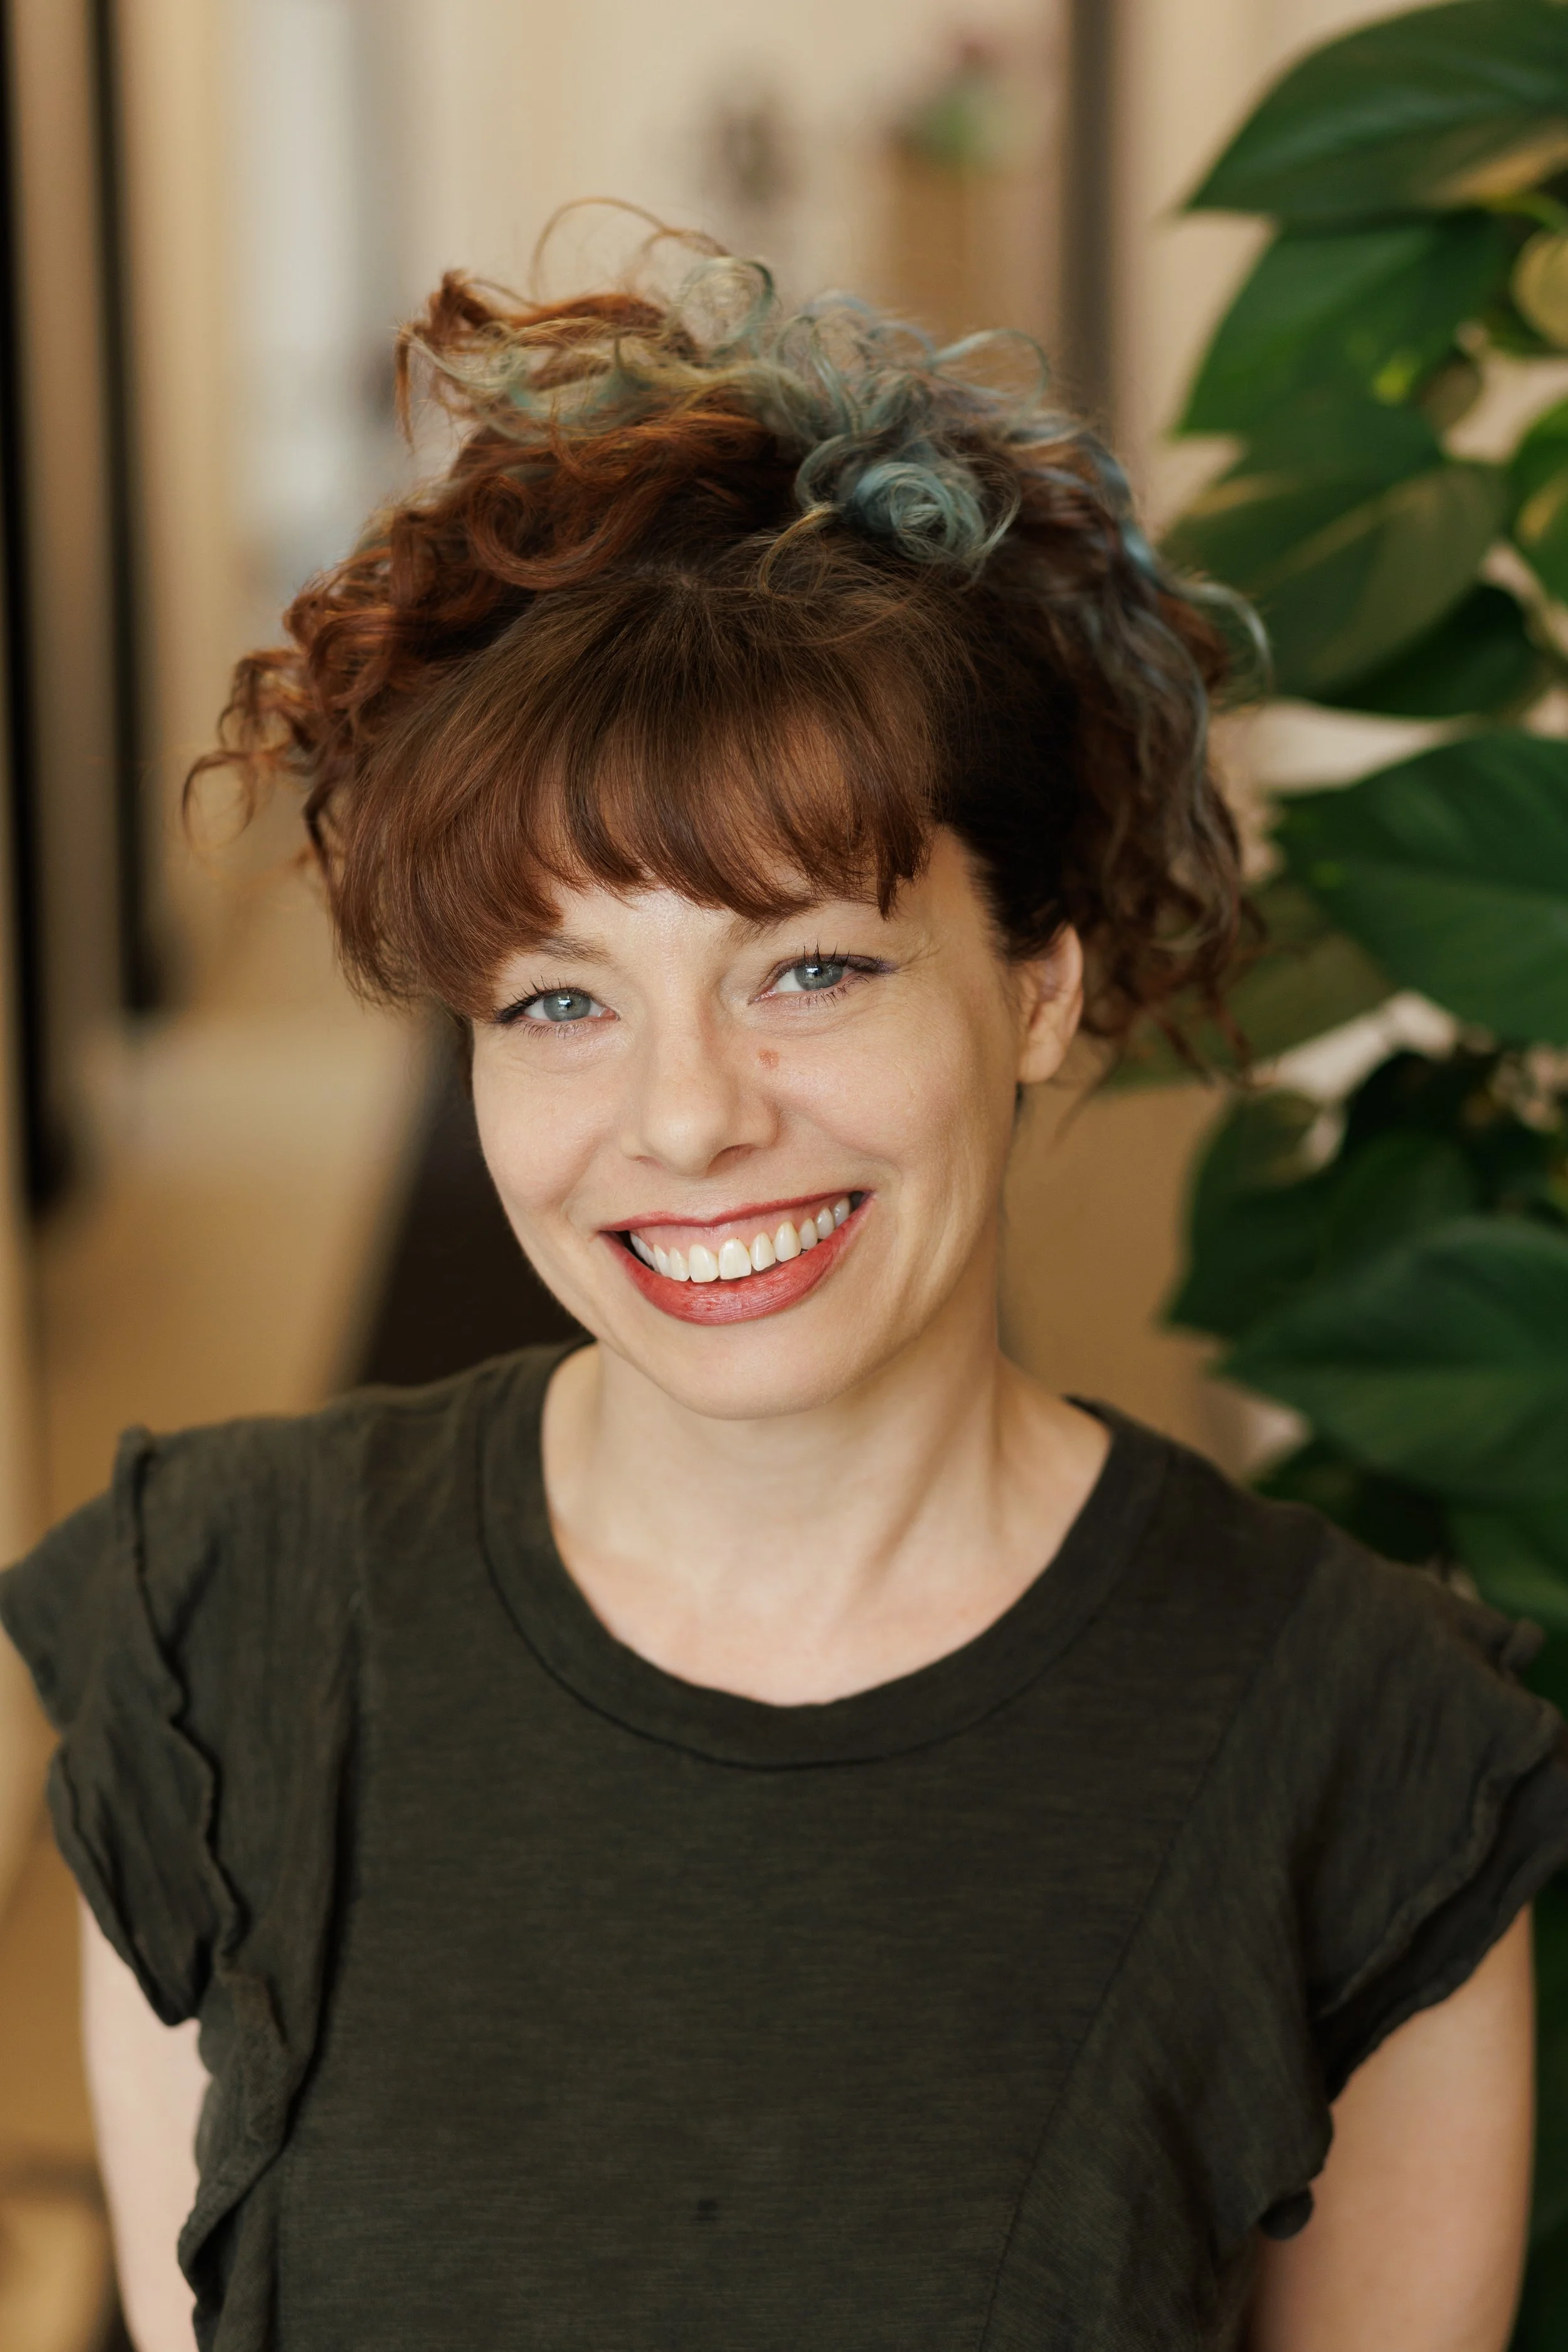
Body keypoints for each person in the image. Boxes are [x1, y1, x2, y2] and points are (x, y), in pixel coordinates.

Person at [3, 235, 1564, 2352]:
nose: (683, 1119)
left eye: (809, 966)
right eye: (559, 1000)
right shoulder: (223, 1630)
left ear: (1036, 986)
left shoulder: (1353, 1745)